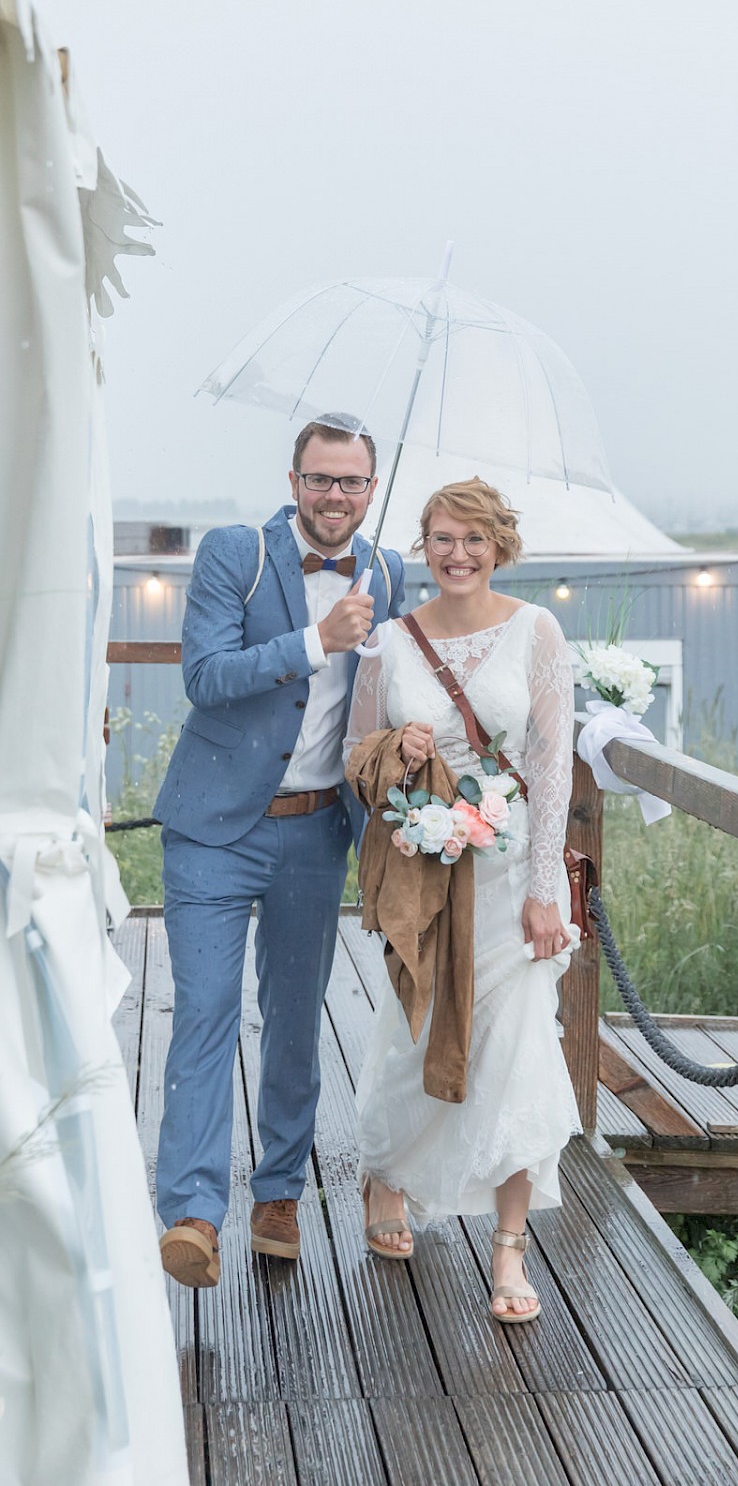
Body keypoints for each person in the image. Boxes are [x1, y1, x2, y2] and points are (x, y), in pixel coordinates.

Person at [153, 414, 405, 1288]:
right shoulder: (236, 553)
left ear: (372, 489)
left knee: (296, 1020)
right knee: (207, 1008)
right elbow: (204, 677)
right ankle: (190, 1211)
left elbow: (395, 692)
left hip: (316, 831)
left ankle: (278, 1196)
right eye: (320, 479)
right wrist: (315, 640)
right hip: (213, 827)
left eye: (352, 482)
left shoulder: (387, 570)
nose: (335, 496)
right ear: (294, 480)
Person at [344, 478, 581, 1323]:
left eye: (473, 539)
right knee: (413, 1038)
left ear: (498, 545)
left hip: (513, 879)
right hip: (427, 877)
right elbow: (356, 758)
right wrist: (397, 750)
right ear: (424, 545)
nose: (456, 554)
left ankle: (510, 1251)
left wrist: (546, 892)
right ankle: (385, 1173)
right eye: (441, 538)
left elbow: (554, 771)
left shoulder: (536, 631)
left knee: (517, 1051)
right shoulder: (391, 643)